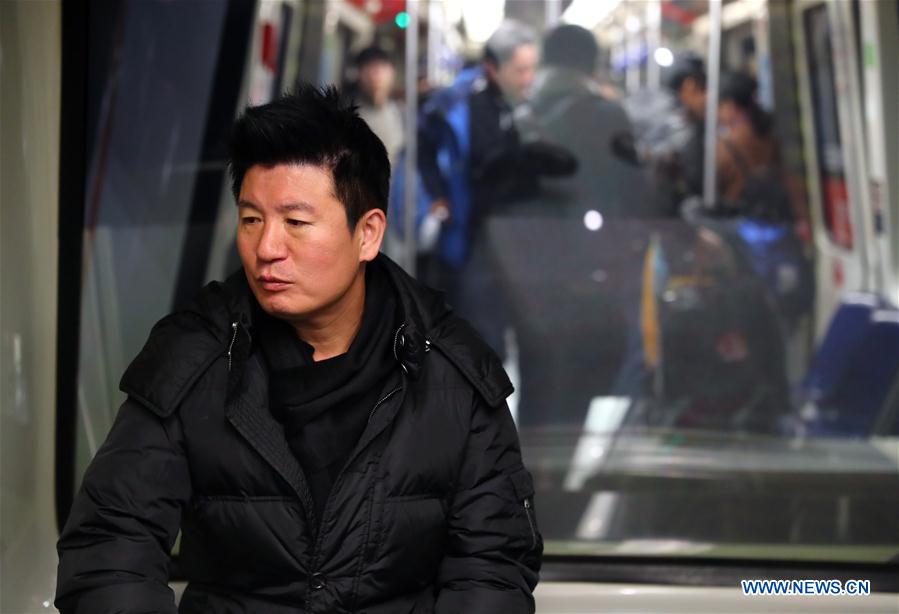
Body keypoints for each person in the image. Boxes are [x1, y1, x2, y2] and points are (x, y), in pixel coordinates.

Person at [55, 85, 542, 614]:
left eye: (295, 223)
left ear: (368, 234)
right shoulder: (193, 359)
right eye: (251, 220)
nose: (266, 248)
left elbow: (492, 564)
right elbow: (110, 546)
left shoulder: (451, 371)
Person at [517, 24, 649, 218]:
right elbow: (630, 186)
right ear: (593, 65)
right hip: (597, 230)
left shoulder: (520, 115)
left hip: (531, 232)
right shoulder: (610, 115)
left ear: (543, 60)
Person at [354, 46, 404, 169]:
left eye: (382, 67)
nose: (375, 76)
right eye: (369, 67)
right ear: (359, 74)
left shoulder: (402, 115)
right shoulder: (345, 115)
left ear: (392, 73)